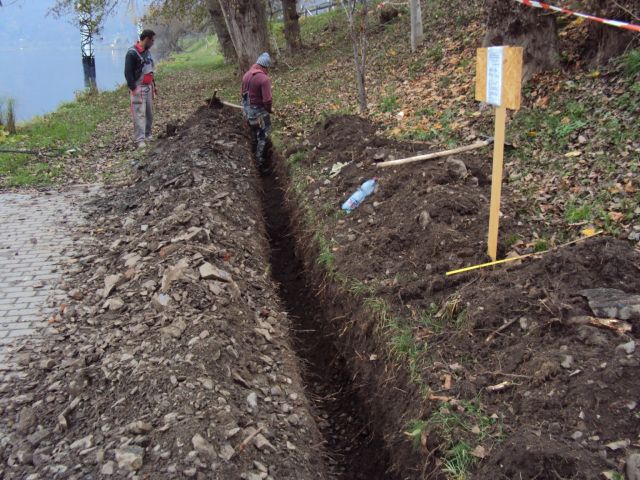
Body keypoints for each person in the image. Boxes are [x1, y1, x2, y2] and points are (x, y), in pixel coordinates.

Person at [241, 52, 273, 173]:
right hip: (258, 112)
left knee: (254, 132)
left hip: (247, 112)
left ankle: (254, 148)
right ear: (265, 66)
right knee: (264, 135)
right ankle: (260, 163)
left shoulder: (246, 76)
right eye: (268, 68)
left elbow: (242, 94)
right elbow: (267, 100)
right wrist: (268, 110)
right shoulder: (264, 79)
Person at [124, 29, 156, 149]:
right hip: (138, 88)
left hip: (148, 87)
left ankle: (148, 134)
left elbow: (150, 70)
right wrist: (133, 88)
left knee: (149, 113)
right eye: (152, 40)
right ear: (146, 39)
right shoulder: (132, 53)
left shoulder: (147, 52)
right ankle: (140, 139)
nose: (153, 43)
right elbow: (127, 73)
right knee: (139, 114)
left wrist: (154, 86)